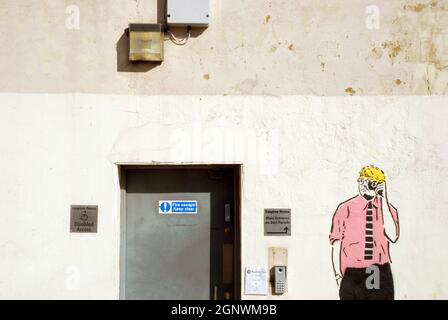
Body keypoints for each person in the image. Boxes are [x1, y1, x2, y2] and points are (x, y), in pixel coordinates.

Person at [329, 166, 400, 300]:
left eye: (368, 181)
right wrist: (338, 276)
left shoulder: (389, 210)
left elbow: (392, 237)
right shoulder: (345, 209)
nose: (363, 185)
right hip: (352, 272)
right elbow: (335, 244)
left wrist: (384, 198)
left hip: (379, 271)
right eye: (360, 181)